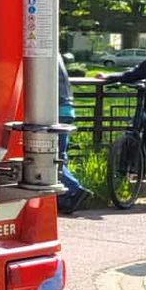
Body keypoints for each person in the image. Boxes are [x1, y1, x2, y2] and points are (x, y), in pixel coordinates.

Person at [58, 57, 92, 214]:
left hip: (55, 111)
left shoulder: (41, 54)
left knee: (51, 158)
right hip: (66, 109)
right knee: (59, 155)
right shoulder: (53, 54)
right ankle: (66, 195)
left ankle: (74, 189)